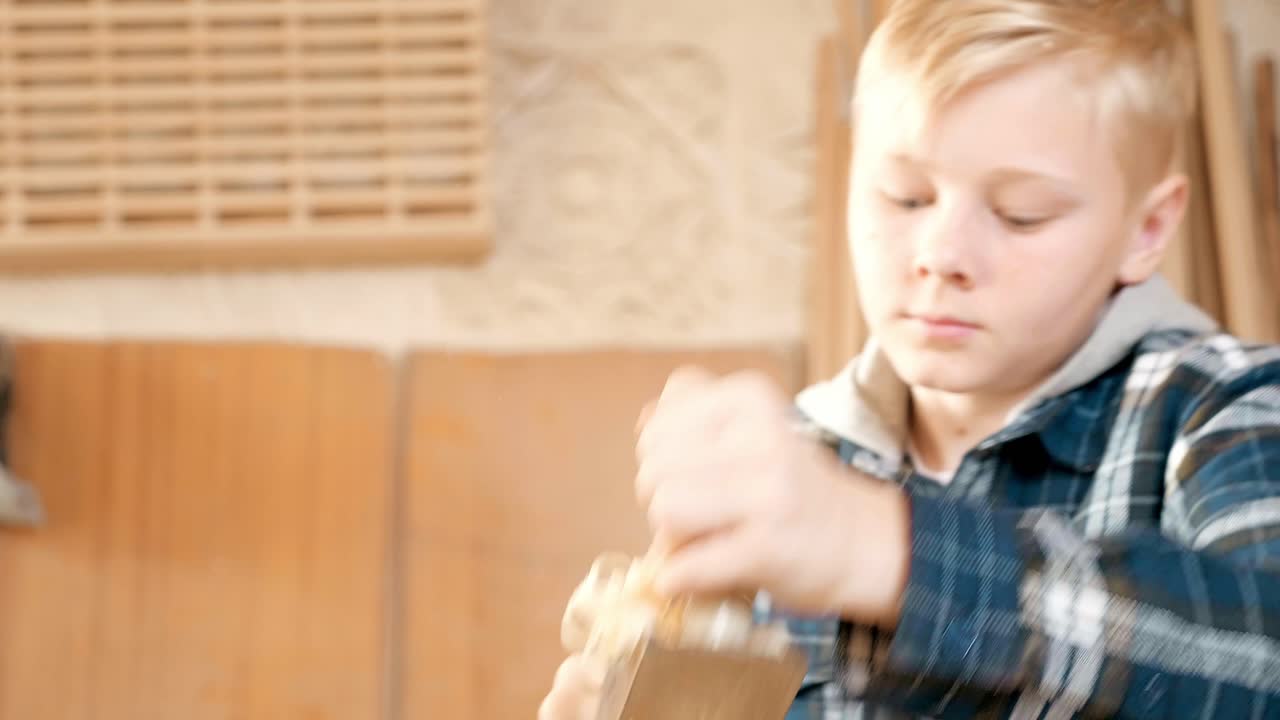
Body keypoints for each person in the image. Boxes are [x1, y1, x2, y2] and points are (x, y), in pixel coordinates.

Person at [539, 1, 1280, 717]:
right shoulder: (803, 465)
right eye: (903, 198)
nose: (941, 255)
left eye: (1022, 213)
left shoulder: (1229, 407)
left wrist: (881, 551)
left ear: (1146, 230)